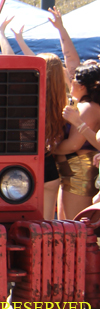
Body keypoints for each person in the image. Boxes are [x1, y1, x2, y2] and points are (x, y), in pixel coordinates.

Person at [58, 62, 100, 217]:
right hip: (73, 171)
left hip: (79, 172)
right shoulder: (84, 105)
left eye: (73, 78)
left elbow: (73, 145)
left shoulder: (87, 107)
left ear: (82, 85)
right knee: (67, 226)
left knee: (76, 227)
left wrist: (48, 149)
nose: (71, 81)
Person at [36, 53, 66, 220]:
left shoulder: (28, 101)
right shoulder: (63, 104)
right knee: (46, 226)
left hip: (26, 169)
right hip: (50, 169)